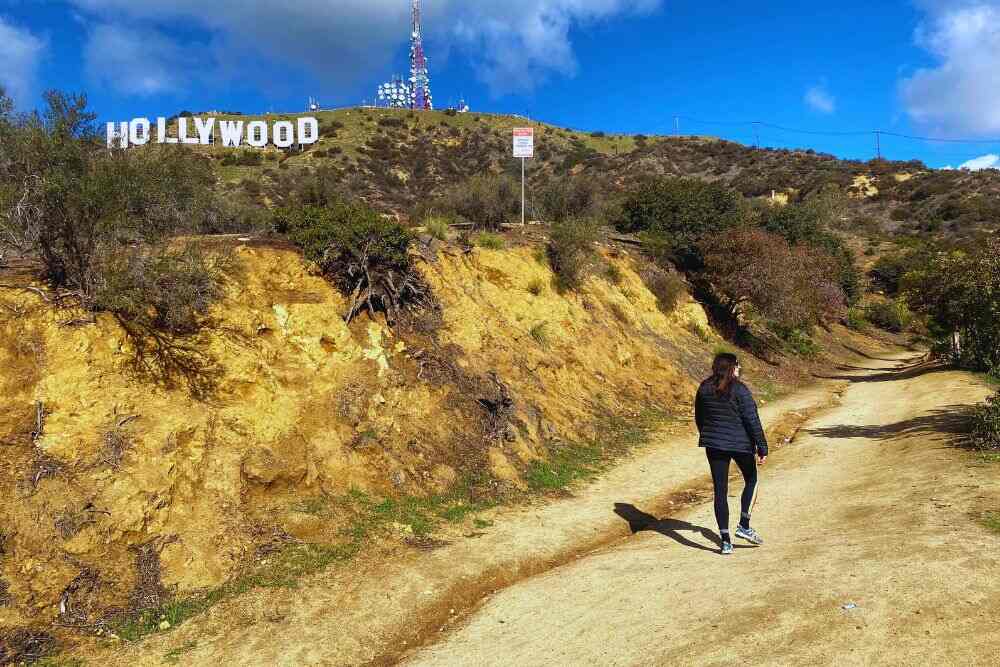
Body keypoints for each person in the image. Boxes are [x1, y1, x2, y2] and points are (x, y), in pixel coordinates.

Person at [694, 353, 768, 555]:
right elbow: (752, 420)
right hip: (740, 445)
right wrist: (762, 447)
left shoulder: (704, 387)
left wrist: (709, 436)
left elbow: (700, 418)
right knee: (752, 480)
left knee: (720, 491)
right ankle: (744, 525)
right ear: (733, 368)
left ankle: (726, 541)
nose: (739, 368)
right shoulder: (740, 389)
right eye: (738, 365)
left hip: (714, 445)